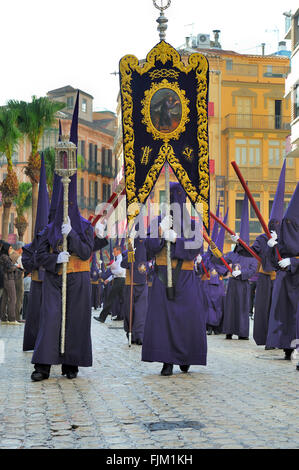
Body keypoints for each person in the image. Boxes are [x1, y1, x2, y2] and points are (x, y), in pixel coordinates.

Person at [30, 92, 108, 381]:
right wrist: (55, 257)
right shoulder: (48, 228)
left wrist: (72, 237)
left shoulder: (84, 226)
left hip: (79, 279)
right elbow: (38, 256)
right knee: (51, 320)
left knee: (74, 323)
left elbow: (87, 252)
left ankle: (71, 364)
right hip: (55, 277)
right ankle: (43, 365)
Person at [142, 182, 206, 376]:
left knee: (187, 319)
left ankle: (186, 357)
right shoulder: (157, 222)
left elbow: (196, 247)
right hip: (162, 276)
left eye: (179, 196)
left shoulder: (193, 224)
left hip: (186, 278)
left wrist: (176, 241)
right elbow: (149, 247)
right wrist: (161, 233)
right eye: (172, 196)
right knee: (163, 321)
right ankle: (166, 360)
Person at [266, 182, 299, 362]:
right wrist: (273, 247)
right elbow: (274, 261)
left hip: (297, 278)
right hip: (285, 279)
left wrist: (294, 261)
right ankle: (286, 346)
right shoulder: (285, 232)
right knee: (283, 314)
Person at [22, 152, 50, 351]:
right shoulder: (30, 246)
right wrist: (35, 259)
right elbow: (26, 263)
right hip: (37, 284)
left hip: (50, 284)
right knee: (34, 317)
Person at [222, 193, 258, 340]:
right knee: (230, 308)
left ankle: (242, 332)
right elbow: (223, 261)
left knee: (242, 308)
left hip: (243, 285)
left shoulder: (252, 257)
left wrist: (241, 273)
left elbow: (252, 270)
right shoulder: (233, 254)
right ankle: (229, 330)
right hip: (232, 284)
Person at [121, 220, 148, 345]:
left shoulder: (145, 251)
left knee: (141, 311)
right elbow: (124, 263)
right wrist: (132, 253)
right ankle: (130, 333)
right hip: (130, 284)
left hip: (142, 284)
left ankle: (140, 335)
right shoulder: (128, 252)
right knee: (129, 311)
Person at [94, 244, 126, 323]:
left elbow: (120, 271)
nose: (113, 253)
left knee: (110, 299)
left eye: (114, 251)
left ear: (118, 251)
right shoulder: (117, 260)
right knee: (122, 300)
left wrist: (112, 270)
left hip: (120, 281)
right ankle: (121, 316)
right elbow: (115, 274)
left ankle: (102, 318)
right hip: (119, 280)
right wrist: (108, 279)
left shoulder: (121, 259)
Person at [0, 241, 19, 325]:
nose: (11, 250)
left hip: (5, 279)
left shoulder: (3, 256)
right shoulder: (5, 257)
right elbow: (9, 268)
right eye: (10, 248)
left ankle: (3, 318)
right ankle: (12, 319)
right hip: (8, 279)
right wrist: (16, 266)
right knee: (13, 298)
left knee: (5, 298)